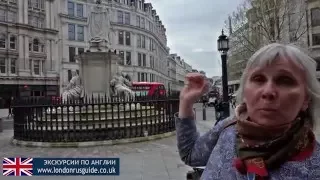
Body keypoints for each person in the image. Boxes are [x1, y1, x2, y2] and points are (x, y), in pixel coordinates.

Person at [176, 43, 320, 180]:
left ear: (306, 99)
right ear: (245, 91)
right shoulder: (229, 128)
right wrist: (186, 103)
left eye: (285, 80)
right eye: (258, 79)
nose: (268, 91)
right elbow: (190, 154)